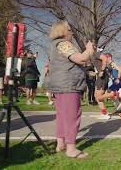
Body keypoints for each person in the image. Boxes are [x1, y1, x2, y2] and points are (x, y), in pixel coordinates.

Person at [49, 21, 94, 158]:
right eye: (69, 30)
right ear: (62, 31)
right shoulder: (64, 44)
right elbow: (81, 59)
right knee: (72, 116)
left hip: (60, 85)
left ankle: (60, 144)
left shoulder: (55, 45)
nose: (72, 32)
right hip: (69, 85)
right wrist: (89, 49)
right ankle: (71, 149)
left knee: (62, 116)